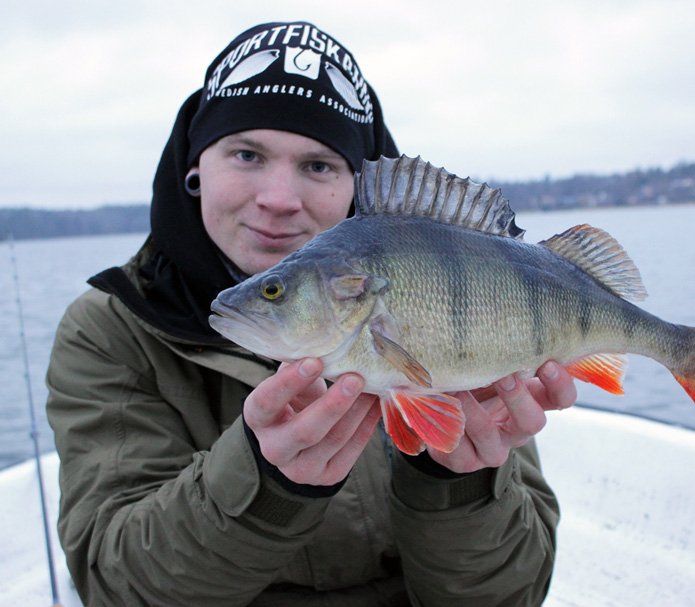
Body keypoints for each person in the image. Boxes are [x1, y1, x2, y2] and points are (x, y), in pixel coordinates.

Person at [46, 21, 577, 607]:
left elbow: (511, 596)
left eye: (319, 165)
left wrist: (459, 482)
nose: (279, 198)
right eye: (247, 154)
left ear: (356, 185)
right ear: (195, 168)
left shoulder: (464, 306)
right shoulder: (111, 329)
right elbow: (114, 588)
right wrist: (264, 482)